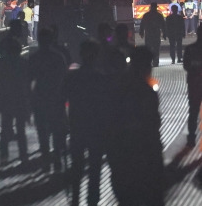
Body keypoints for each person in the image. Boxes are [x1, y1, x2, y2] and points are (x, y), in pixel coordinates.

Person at [106, 47, 165, 206]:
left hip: (122, 155)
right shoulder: (146, 92)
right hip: (143, 155)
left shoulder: (117, 89)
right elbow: (153, 124)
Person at [64, 39, 109, 206]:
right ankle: (92, 201)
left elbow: (61, 100)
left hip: (77, 126)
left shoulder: (72, 77)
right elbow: (107, 105)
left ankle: (75, 199)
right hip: (96, 129)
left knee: (76, 166)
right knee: (95, 168)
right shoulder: (100, 78)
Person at [28, 27, 68, 172]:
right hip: (56, 98)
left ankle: (46, 160)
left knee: (42, 132)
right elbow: (64, 78)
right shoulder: (58, 57)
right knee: (57, 131)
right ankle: (57, 158)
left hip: (40, 99)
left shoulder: (34, 58)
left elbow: (29, 80)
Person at [0, 36, 30, 166]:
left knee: (5, 128)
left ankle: (4, 156)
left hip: (5, 99)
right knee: (21, 129)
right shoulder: (23, 63)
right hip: (20, 98)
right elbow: (27, 83)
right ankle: (23, 156)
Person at [183, 24, 202, 148]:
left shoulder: (190, 49)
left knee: (193, 111)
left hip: (194, 84)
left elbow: (186, 66)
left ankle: (191, 138)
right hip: (195, 84)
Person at [139, 2, 166, 67]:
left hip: (148, 34)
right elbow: (163, 26)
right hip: (156, 34)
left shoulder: (146, 15)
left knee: (148, 48)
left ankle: (149, 61)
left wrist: (141, 32)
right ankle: (155, 62)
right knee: (156, 48)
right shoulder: (159, 15)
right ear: (156, 7)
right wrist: (164, 34)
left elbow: (142, 25)